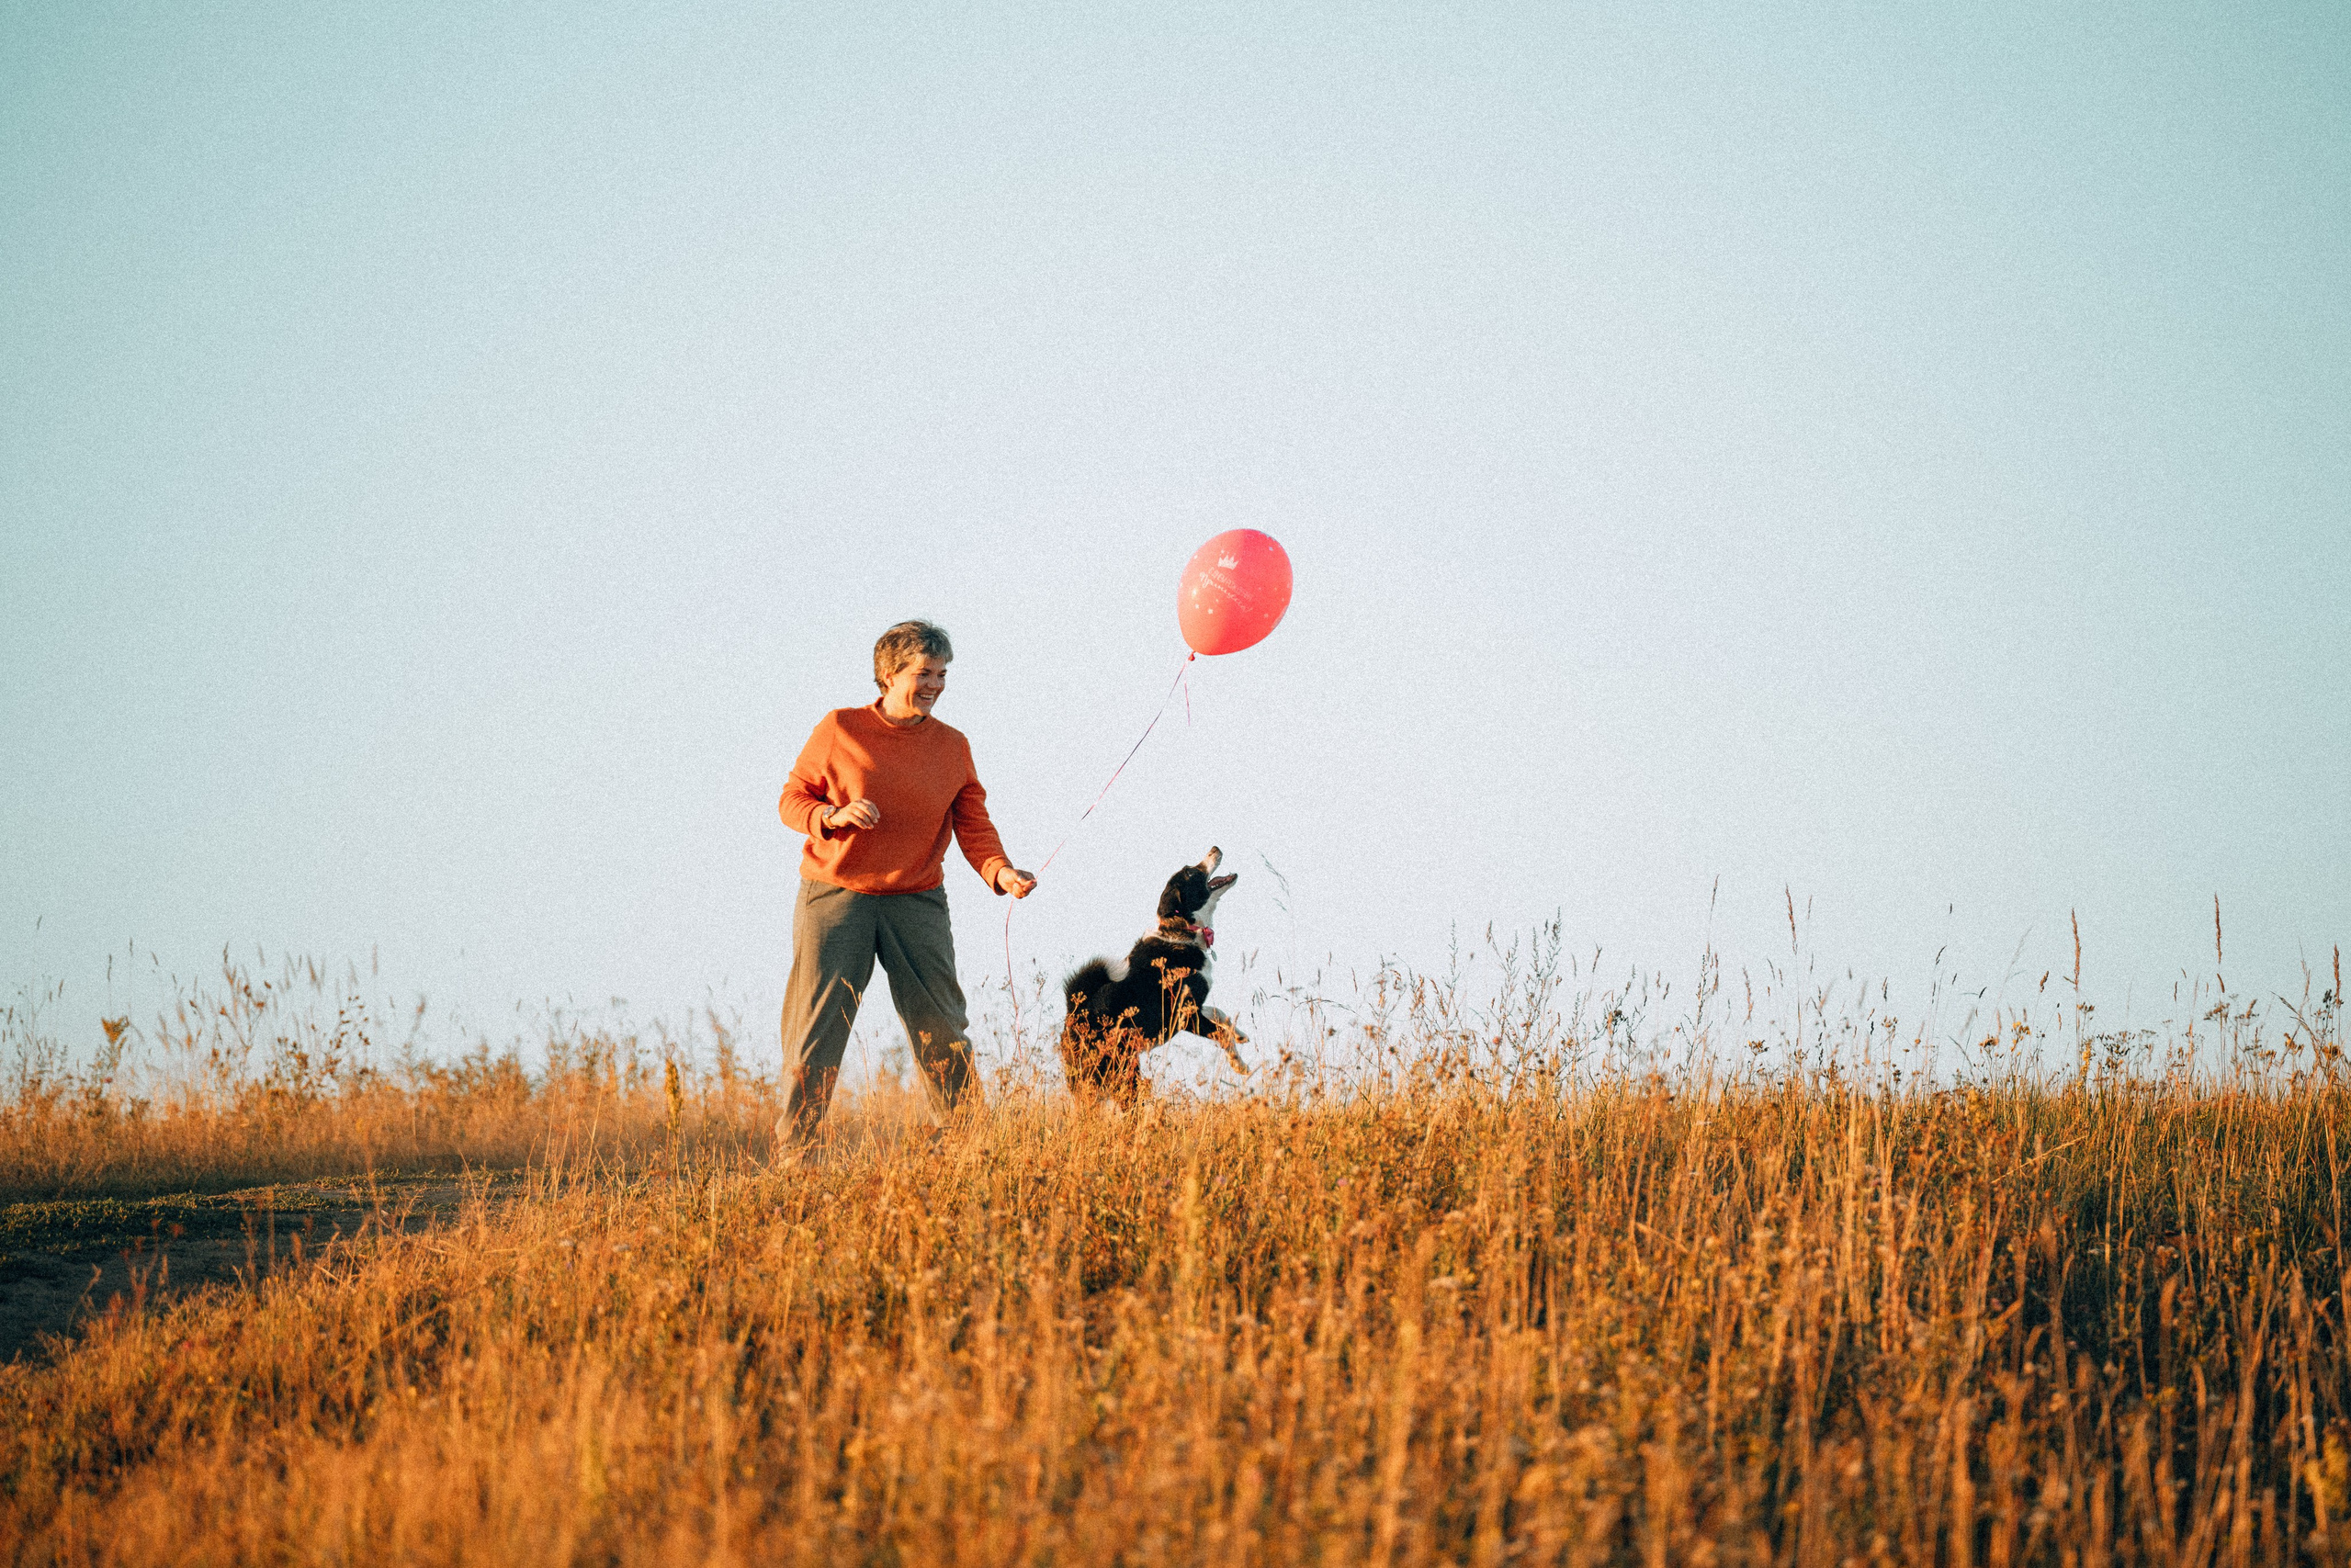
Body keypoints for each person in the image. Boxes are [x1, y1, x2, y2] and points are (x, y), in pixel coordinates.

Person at [774, 620, 1036, 1153]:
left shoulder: (952, 746)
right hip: (837, 897)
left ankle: (965, 1144)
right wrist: (832, 815)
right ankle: (798, 1153)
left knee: (942, 1026)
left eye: (942, 674)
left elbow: (973, 823)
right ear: (890, 674)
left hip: (917, 900)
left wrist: (1000, 871)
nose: (935, 685)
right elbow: (792, 800)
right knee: (816, 1031)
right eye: (924, 673)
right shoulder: (840, 728)